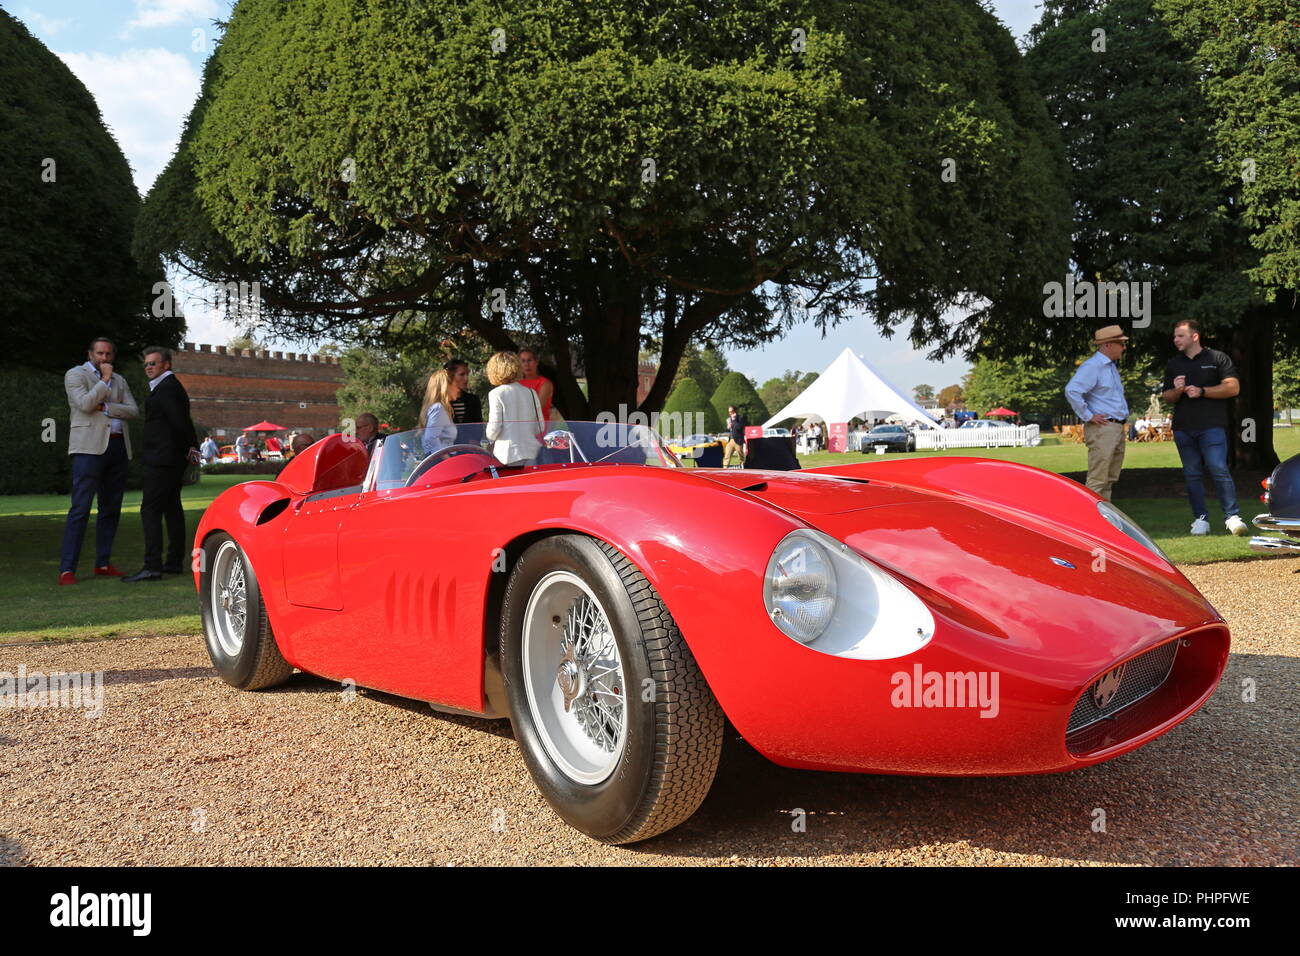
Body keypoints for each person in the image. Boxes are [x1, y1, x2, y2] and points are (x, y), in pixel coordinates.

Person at [58, 337, 139, 585]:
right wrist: (104, 381)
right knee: (80, 509)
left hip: (117, 447)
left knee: (111, 510)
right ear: (90, 353)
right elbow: (84, 404)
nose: (104, 358)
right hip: (88, 449)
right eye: (100, 353)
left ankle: (102, 563)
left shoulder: (121, 380)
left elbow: (133, 411)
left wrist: (106, 408)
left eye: (108, 355)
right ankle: (67, 569)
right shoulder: (75, 375)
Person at [1161, 319, 1246, 536]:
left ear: (1195, 336)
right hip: (1183, 428)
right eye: (1174, 336)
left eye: (1180, 335)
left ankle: (1232, 517)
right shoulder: (1174, 364)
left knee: (1219, 469)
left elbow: (1233, 387)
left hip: (1212, 426)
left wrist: (1202, 391)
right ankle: (1200, 520)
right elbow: (1167, 397)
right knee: (1192, 474)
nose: (1175, 340)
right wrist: (1178, 390)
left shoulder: (1217, 358)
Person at [122, 347, 200, 583]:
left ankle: (152, 566)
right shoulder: (168, 387)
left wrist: (189, 447)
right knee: (172, 509)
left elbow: (179, 422)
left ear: (166, 365)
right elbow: (183, 422)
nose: (148, 368)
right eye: (146, 364)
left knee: (151, 510)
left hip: (162, 460)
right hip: (169, 458)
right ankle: (174, 562)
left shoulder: (166, 389)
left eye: (153, 364)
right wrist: (190, 447)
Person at [1064, 325, 1130, 501]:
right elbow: (1072, 391)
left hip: (1114, 427)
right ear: (1108, 345)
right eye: (1121, 344)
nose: (1124, 348)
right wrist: (1088, 415)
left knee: (1109, 478)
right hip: (1103, 428)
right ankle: (1089, 519)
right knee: (1098, 479)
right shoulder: (1093, 366)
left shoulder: (1109, 367)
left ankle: (1104, 519)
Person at [485, 351, 545, 466]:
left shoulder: (496, 393)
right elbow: (540, 427)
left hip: (507, 454)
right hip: (531, 452)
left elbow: (493, 430)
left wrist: (488, 438)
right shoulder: (531, 392)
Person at [419, 368, 460, 455]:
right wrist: (447, 460)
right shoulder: (438, 408)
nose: (458, 388)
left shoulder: (439, 408)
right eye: (455, 384)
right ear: (446, 387)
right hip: (440, 460)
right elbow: (431, 438)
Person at [518, 348, 558, 423]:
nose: (526, 364)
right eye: (523, 361)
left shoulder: (545, 384)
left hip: (539, 428)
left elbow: (536, 410)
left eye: (529, 360)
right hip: (520, 428)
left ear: (536, 362)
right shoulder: (516, 383)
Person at [444, 359, 483, 424]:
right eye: (462, 374)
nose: (466, 378)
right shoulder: (440, 402)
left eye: (467, 374)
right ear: (449, 376)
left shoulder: (473, 400)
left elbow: (478, 428)